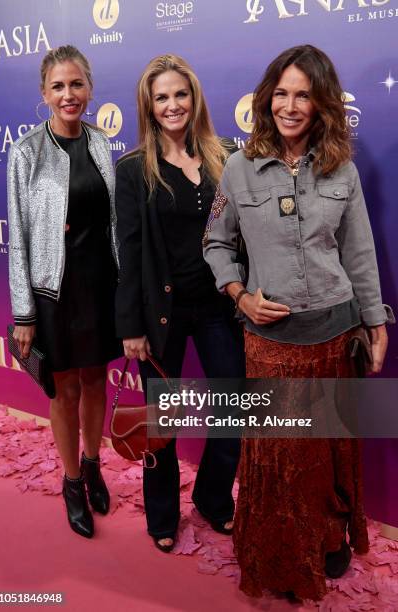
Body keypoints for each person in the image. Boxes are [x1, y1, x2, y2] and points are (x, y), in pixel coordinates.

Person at [203, 45, 394, 600]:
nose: (290, 105)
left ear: (321, 104)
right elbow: (215, 243)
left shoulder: (343, 169)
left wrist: (374, 324)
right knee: (279, 457)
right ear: (267, 99)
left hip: (335, 335)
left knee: (328, 449)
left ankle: (328, 537)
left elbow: (359, 253)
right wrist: (240, 296)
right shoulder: (238, 168)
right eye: (281, 93)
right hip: (270, 343)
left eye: (303, 95)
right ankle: (280, 553)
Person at [115, 54, 245, 552]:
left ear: (195, 98)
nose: (173, 105)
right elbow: (128, 254)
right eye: (161, 97)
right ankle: (163, 515)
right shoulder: (133, 170)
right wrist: (131, 325)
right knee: (161, 425)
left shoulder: (227, 155)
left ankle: (213, 500)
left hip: (219, 306)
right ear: (149, 106)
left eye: (180, 94)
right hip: (161, 315)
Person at [7, 45, 122, 539]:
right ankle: (72, 481)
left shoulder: (101, 143)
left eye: (76, 84)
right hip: (54, 289)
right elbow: (20, 235)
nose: (68, 94)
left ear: (90, 89)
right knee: (65, 388)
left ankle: (94, 463)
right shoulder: (26, 152)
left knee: (96, 381)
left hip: (100, 284)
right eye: (58, 86)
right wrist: (23, 313)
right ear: (44, 94)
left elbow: (113, 220)